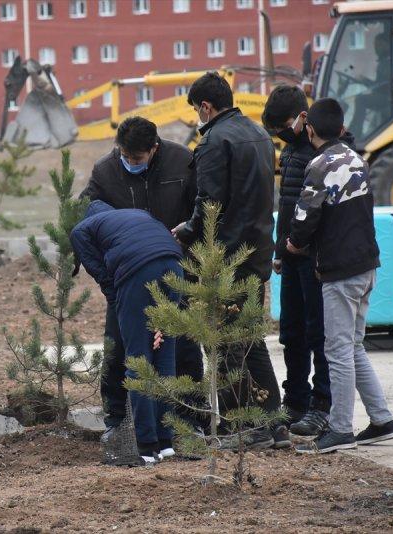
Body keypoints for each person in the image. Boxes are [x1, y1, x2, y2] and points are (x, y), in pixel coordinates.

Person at [173, 72, 287, 450]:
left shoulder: (213, 142)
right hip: (256, 252)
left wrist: (187, 231)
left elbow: (209, 204)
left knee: (225, 345)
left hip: (224, 258)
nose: (196, 118)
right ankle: (273, 422)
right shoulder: (258, 134)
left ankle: (244, 428)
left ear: (206, 106)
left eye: (196, 110)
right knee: (251, 338)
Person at [291, 98, 393, 454]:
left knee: (337, 350)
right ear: (341, 130)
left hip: (339, 271)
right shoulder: (357, 159)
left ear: (310, 130)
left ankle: (340, 429)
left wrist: (293, 244)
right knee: (353, 347)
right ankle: (382, 420)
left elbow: (306, 218)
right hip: (366, 265)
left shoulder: (319, 166)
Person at [79, 116, 203, 433]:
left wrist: (193, 247)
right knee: (118, 345)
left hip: (177, 264)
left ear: (154, 149)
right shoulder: (106, 171)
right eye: (125, 156)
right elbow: (86, 211)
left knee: (183, 347)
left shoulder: (182, 162)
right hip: (128, 273)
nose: (130, 163)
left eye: (137, 158)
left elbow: (201, 211)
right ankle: (117, 419)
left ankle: (190, 419)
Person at [71, 200, 183, 464]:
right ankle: (166, 443)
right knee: (165, 356)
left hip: (138, 271)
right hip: (175, 264)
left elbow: (100, 273)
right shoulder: (138, 214)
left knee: (138, 359)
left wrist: (120, 301)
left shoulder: (82, 229)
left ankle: (145, 447)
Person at [262, 86, 333, 436]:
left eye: (285, 125)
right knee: (291, 332)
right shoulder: (290, 151)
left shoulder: (322, 153)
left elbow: (319, 212)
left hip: (313, 259)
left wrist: (300, 247)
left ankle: (322, 406)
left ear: (304, 118)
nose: (281, 133)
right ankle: (296, 401)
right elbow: (287, 207)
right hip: (289, 256)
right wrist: (280, 250)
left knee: (317, 333)